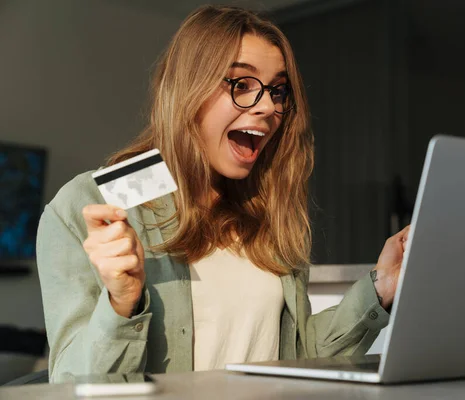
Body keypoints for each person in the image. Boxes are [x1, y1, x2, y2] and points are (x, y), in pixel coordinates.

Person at [36, 5, 410, 382]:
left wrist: (379, 287)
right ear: (187, 90)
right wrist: (121, 304)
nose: (268, 107)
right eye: (241, 84)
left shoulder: (264, 212)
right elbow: (71, 384)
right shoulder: (92, 203)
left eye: (278, 91)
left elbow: (295, 358)